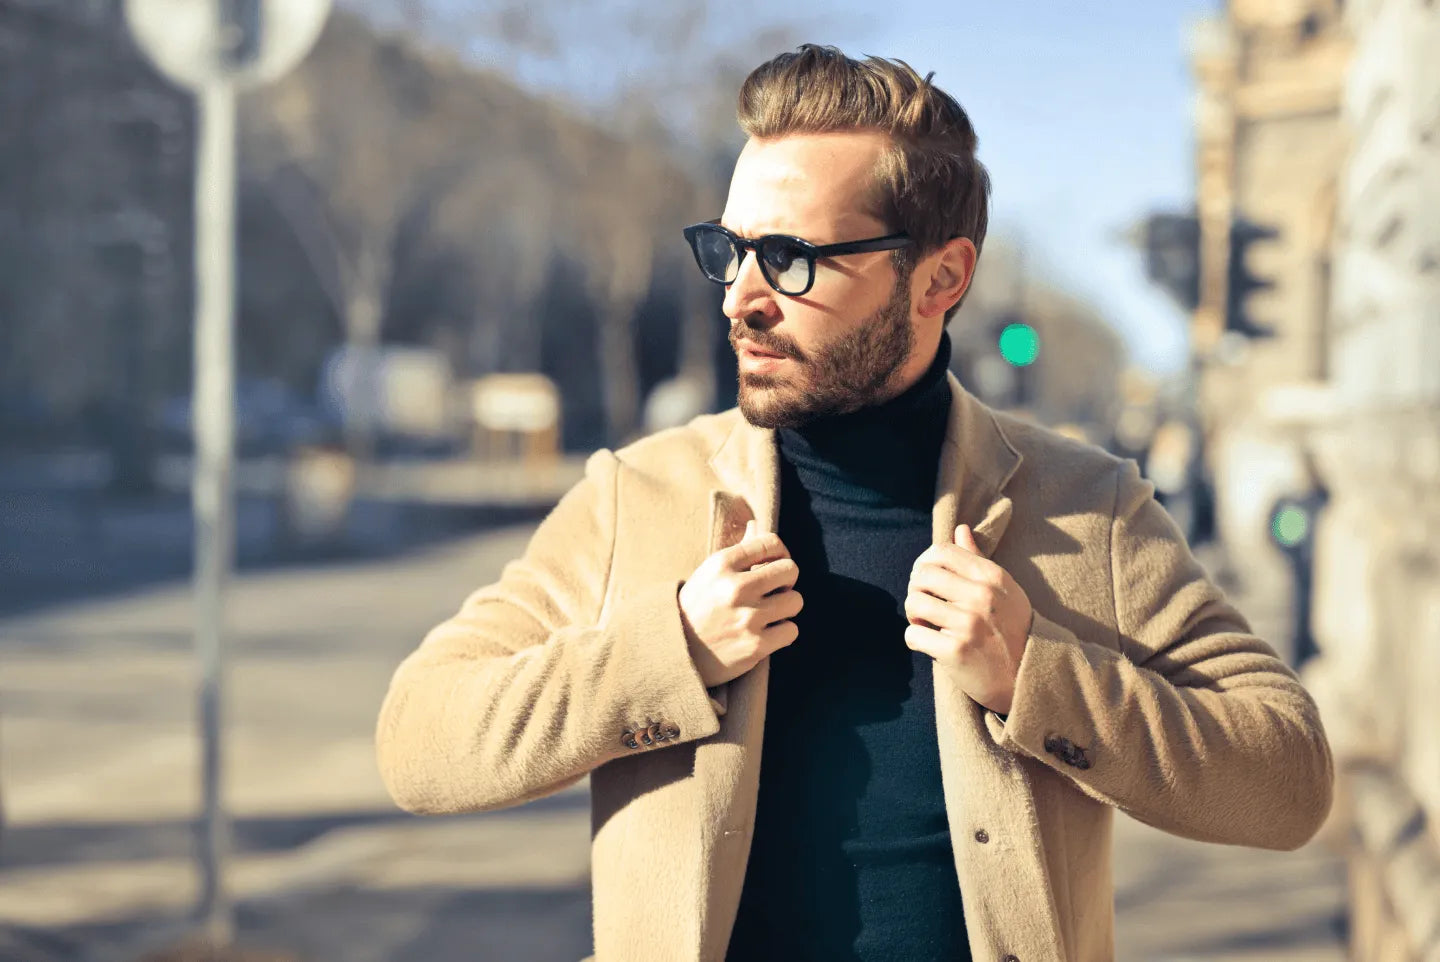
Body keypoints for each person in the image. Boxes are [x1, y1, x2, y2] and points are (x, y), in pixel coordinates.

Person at [376, 45, 1334, 962]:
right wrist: (666, 654)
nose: (741, 299)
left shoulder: (1090, 510)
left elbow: (1289, 780)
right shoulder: (635, 497)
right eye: (730, 250)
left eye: (790, 257)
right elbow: (420, 742)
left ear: (940, 278)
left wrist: (1038, 678)